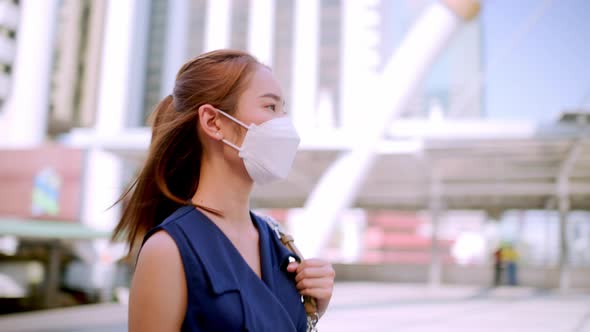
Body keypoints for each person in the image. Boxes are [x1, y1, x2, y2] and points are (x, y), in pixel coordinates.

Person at [113, 49, 335, 331]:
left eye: (283, 111)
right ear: (213, 122)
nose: (284, 124)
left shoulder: (278, 243)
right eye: (270, 107)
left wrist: (312, 310)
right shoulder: (168, 250)